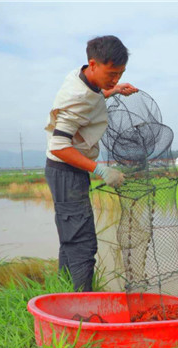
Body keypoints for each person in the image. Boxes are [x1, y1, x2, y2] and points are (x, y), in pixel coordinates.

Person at [44, 35, 138, 292]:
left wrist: (112, 91)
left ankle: (64, 294)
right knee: (82, 242)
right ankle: (82, 305)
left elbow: (92, 97)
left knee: (70, 238)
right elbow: (59, 146)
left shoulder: (84, 76)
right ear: (94, 64)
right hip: (66, 171)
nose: (116, 78)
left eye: (120, 73)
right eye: (112, 73)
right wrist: (100, 169)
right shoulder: (75, 97)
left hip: (69, 170)